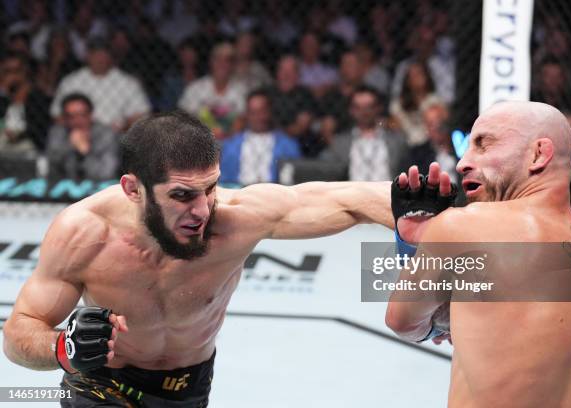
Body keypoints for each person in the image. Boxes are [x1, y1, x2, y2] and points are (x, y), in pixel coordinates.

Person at [3, 111, 393, 407]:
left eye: (210, 188)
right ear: (133, 189)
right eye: (182, 195)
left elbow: (351, 201)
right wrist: (61, 348)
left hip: (188, 386)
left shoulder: (236, 218)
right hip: (102, 382)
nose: (203, 210)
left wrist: (432, 207)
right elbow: (19, 332)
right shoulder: (84, 233)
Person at [386, 101, 571, 407]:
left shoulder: (464, 227)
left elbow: (404, 322)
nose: (463, 161)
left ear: (538, 154)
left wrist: (414, 246)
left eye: (483, 144)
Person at [50, 37, 151, 133]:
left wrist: (124, 129)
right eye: (95, 53)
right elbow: (57, 115)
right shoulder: (71, 81)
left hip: (116, 137)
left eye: (104, 53)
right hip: (77, 135)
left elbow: (141, 115)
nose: (99, 58)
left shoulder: (128, 83)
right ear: (87, 55)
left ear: (111, 56)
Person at [320, 85, 406, 182]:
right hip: (352, 195)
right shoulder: (339, 143)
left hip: (387, 194)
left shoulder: (396, 141)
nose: (364, 112)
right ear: (351, 110)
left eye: (369, 107)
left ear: (378, 108)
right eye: (358, 107)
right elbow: (326, 171)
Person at [220, 90, 301, 185]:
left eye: (262, 111)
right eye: (253, 112)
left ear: (270, 111)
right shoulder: (231, 145)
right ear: (247, 114)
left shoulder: (288, 145)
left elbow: (292, 180)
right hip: (238, 195)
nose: (258, 117)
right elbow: (222, 180)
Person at [45, 93, 118, 181]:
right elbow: (50, 168)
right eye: (71, 116)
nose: (77, 121)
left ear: (90, 115)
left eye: (82, 115)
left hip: (97, 188)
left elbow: (106, 174)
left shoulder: (105, 134)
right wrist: (70, 146)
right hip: (63, 188)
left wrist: (85, 152)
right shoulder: (58, 132)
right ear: (64, 118)